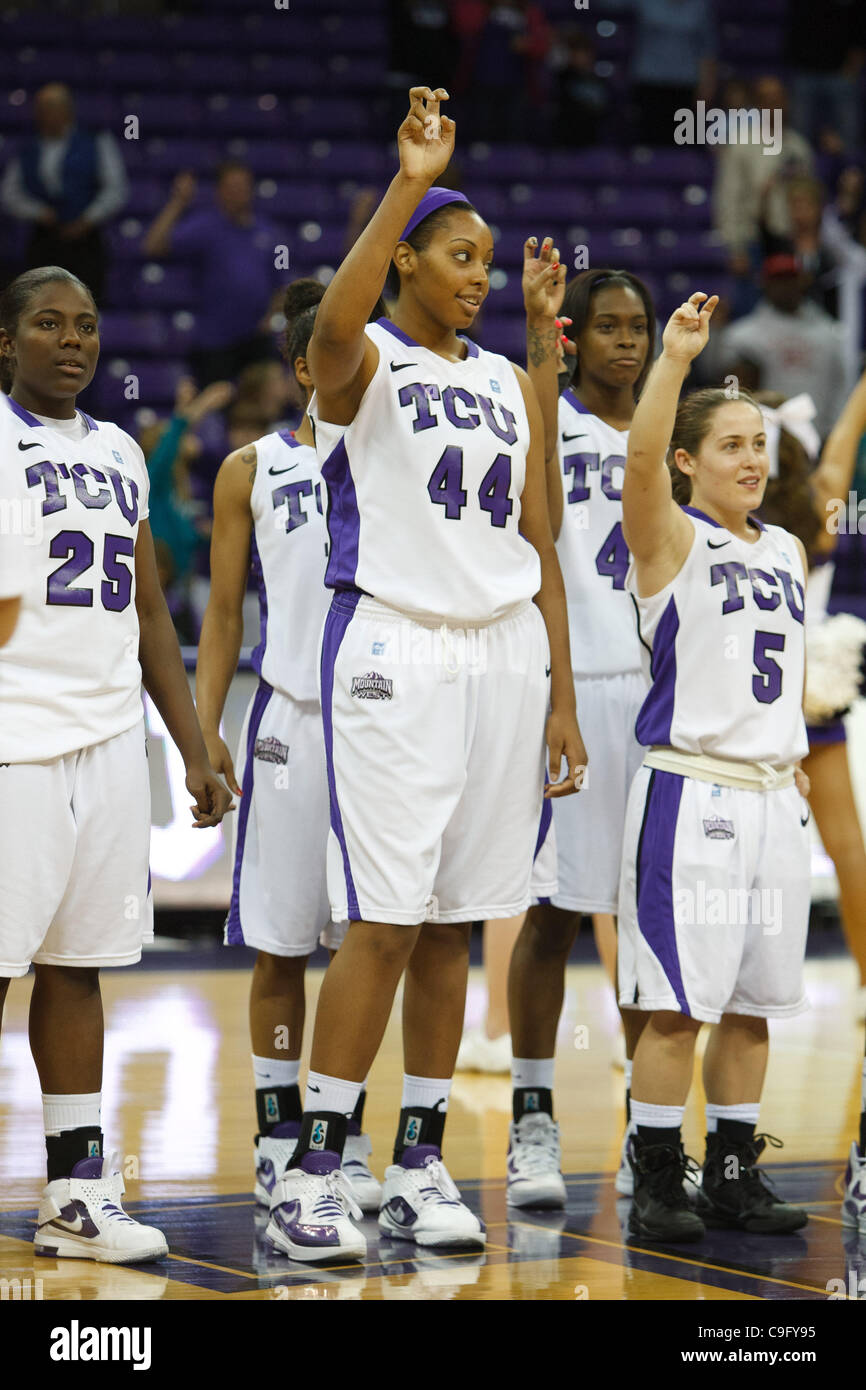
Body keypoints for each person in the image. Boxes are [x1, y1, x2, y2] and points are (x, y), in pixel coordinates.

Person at [265, 87, 586, 1264]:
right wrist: (406, 179)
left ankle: (415, 1160)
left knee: (455, 924)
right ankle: (311, 1167)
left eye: (486, 262)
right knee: (387, 924)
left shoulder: (504, 378)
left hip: (499, 650)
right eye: (458, 255)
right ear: (405, 259)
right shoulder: (368, 361)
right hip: (396, 645)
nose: (478, 275)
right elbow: (326, 337)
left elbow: (535, 531)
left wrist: (555, 689)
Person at [0, 265, 233, 1262]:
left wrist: (191, 743)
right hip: (12, 738)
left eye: (86, 325)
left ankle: (76, 1191)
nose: (72, 340)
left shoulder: (123, 453)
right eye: (48, 323)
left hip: (103, 744)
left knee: (78, 966)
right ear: (6, 342)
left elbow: (146, 609)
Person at [617, 290, 813, 1243]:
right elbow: (640, 459)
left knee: (752, 1004)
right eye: (732, 444)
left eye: (760, 444)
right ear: (693, 462)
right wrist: (674, 362)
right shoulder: (669, 541)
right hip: (693, 792)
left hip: (777, 800)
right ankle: (658, 1175)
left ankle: (735, 1171)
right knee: (677, 1009)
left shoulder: (781, 545)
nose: (752, 459)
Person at [195, 279, 385, 1221]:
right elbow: (224, 611)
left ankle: (335, 1140)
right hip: (289, 718)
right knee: (279, 940)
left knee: (371, 940)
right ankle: (278, 1142)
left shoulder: (394, 453)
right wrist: (203, 727)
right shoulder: (251, 468)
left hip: (384, 722)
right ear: (304, 368)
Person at [506, 264, 656, 1207]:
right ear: (575, 339)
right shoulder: (544, 418)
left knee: (651, 922)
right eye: (607, 327)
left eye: (637, 326)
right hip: (572, 683)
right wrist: (537, 326)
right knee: (556, 913)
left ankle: (652, 1128)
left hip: (659, 697)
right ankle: (532, 1117)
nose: (627, 342)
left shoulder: (673, 431)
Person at [757, 381, 866, 1012]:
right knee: (846, 844)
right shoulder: (823, 501)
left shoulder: (731, 511)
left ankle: (732, 988)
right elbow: (847, 436)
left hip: (754, 695)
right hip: (813, 690)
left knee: (743, 853)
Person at [143, 163, 284, 387]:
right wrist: (178, 203)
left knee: (269, 396)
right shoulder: (205, 227)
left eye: (242, 186)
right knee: (216, 407)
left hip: (256, 338)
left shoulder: (268, 233)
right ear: (219, 191)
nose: (238, 192)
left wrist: (271, 316)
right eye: (231, 187)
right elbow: (153, 245)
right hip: (215, 341)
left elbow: (282, 285)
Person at [0, 85, 128, 305]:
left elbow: (116, 189)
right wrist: (38, 212)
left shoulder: (96, 141)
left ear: (67, 110)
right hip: (44, 240)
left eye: (49, 107)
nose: (42, 114)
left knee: (86, 305)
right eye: (40, 108)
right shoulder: (27, 150)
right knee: (40, 306)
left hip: (86, 242)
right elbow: (9, 194)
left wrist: (88, 219)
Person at [720, 255, 848, 439]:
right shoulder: (742, 336)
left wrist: (836, 432)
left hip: (819, 434)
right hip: (764, 435)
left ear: (802, 282)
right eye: (777, 281)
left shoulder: (830, 333)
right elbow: (730, 390)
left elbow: (840, 385)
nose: (785, 287)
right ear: (764, 284)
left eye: (790, 280)